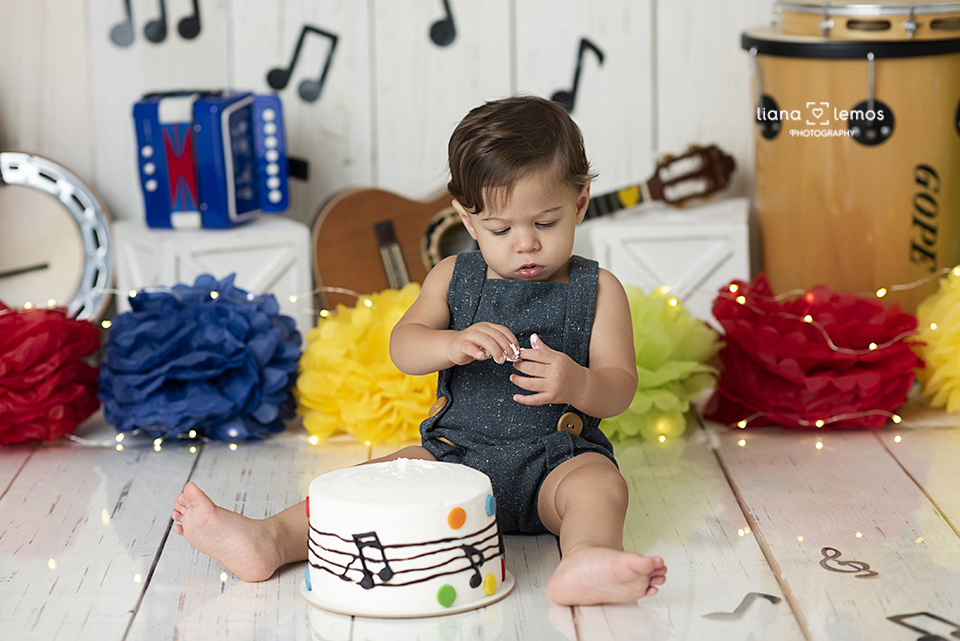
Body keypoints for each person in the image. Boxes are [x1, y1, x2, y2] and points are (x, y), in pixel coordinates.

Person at [172, 95, 667, 606]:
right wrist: (450, 343)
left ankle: (585, 558)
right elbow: (403, 348)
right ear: (467, 220)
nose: (525, 244)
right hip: (455, 458)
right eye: (500, 229)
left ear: (580, 203)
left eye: (545, 223)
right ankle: (272, 539)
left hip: (556, 463)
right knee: (377, 478)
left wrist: (578, 382)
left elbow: (620, 386)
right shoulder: (453, 277)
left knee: (601, 485)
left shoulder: (598, 289)